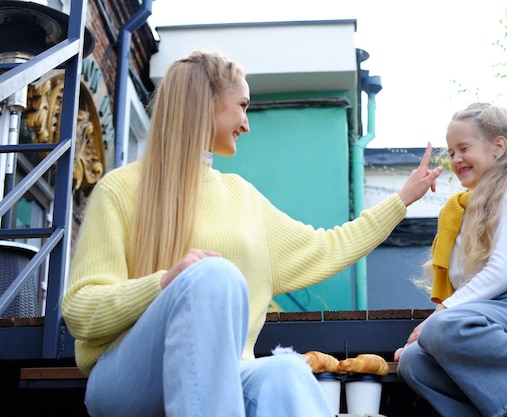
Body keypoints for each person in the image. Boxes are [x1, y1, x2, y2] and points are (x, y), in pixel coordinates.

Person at [61, 50, 443, 417]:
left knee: (286, 372)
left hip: (227, 379)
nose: (247, 123)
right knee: (214, 275)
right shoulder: (119, 190)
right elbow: (80, 309)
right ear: (205, 103)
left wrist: (402, 200)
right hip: (127, 378)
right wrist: (163, 285)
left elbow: (329, 246)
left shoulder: (243, 199)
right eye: (242, 105)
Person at [394, 102, 507, 417]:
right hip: (477, 314)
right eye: (450, 153)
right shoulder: (460, 210)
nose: (455, 158)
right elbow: (458, 301)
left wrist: (438, 318)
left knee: (440, 328)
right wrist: (429, 336)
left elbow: (501, 273)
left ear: (498, 147)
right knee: (412, 362)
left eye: (464, 148)